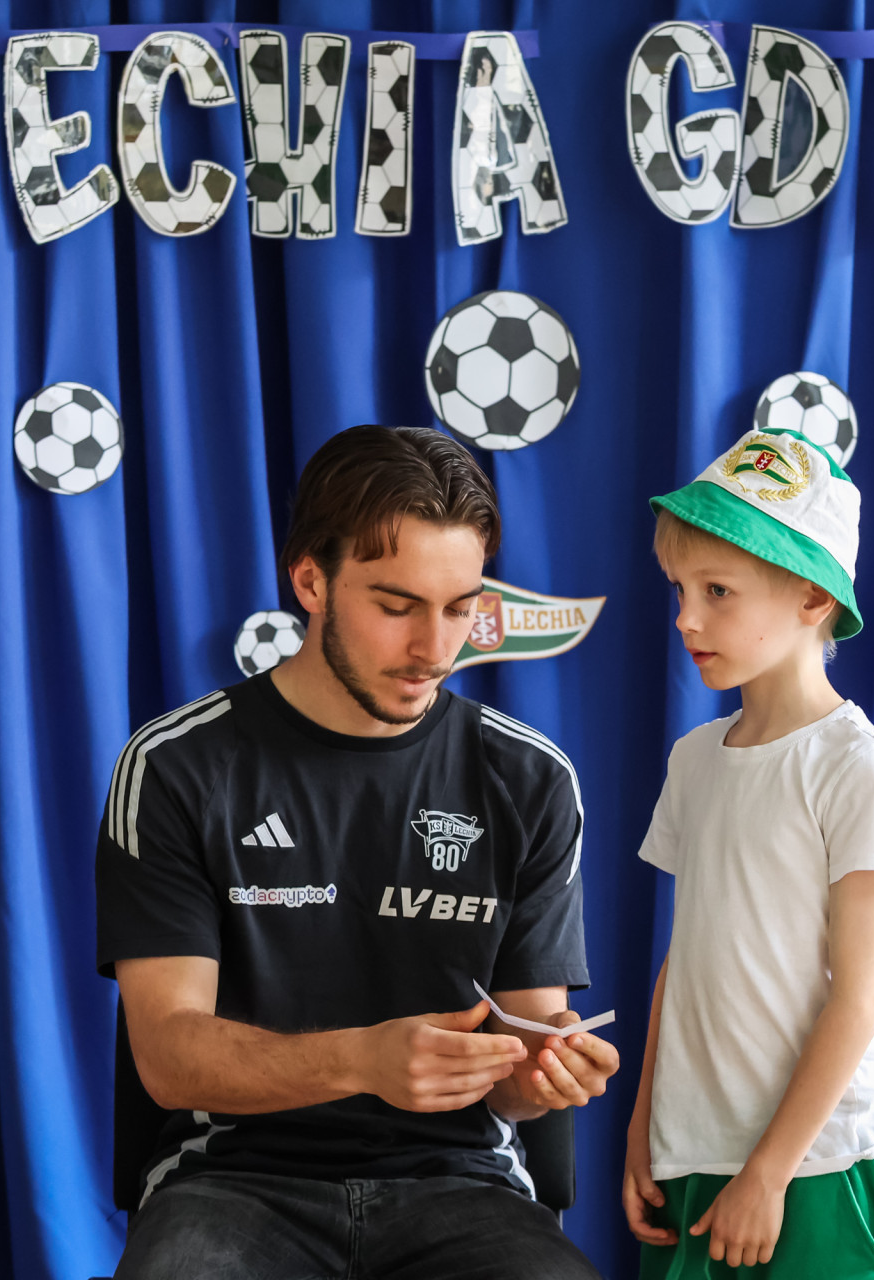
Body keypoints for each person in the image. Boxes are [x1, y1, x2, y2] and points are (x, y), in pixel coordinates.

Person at [98, 425, 615, 1279]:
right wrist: (365, 1061)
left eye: (461, 608)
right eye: (397, 606)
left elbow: (517, 1079)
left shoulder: (530, 778)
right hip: (230, 1180)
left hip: (464, 1179)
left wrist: (546, 1070)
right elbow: (169, 1057)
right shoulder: (177, 765)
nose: (435, 650)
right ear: (310, 581)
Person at [623, 428, 874, 1279]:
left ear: (813, 598)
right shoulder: (694, 760)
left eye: (718, 590)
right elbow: (688, 959)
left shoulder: (859, 769)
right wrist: (646, 1125)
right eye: (681, 589)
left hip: (818, 1164)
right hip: (696, 1154)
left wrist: (769, 1173)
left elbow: (858, 1000)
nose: (687, 618)